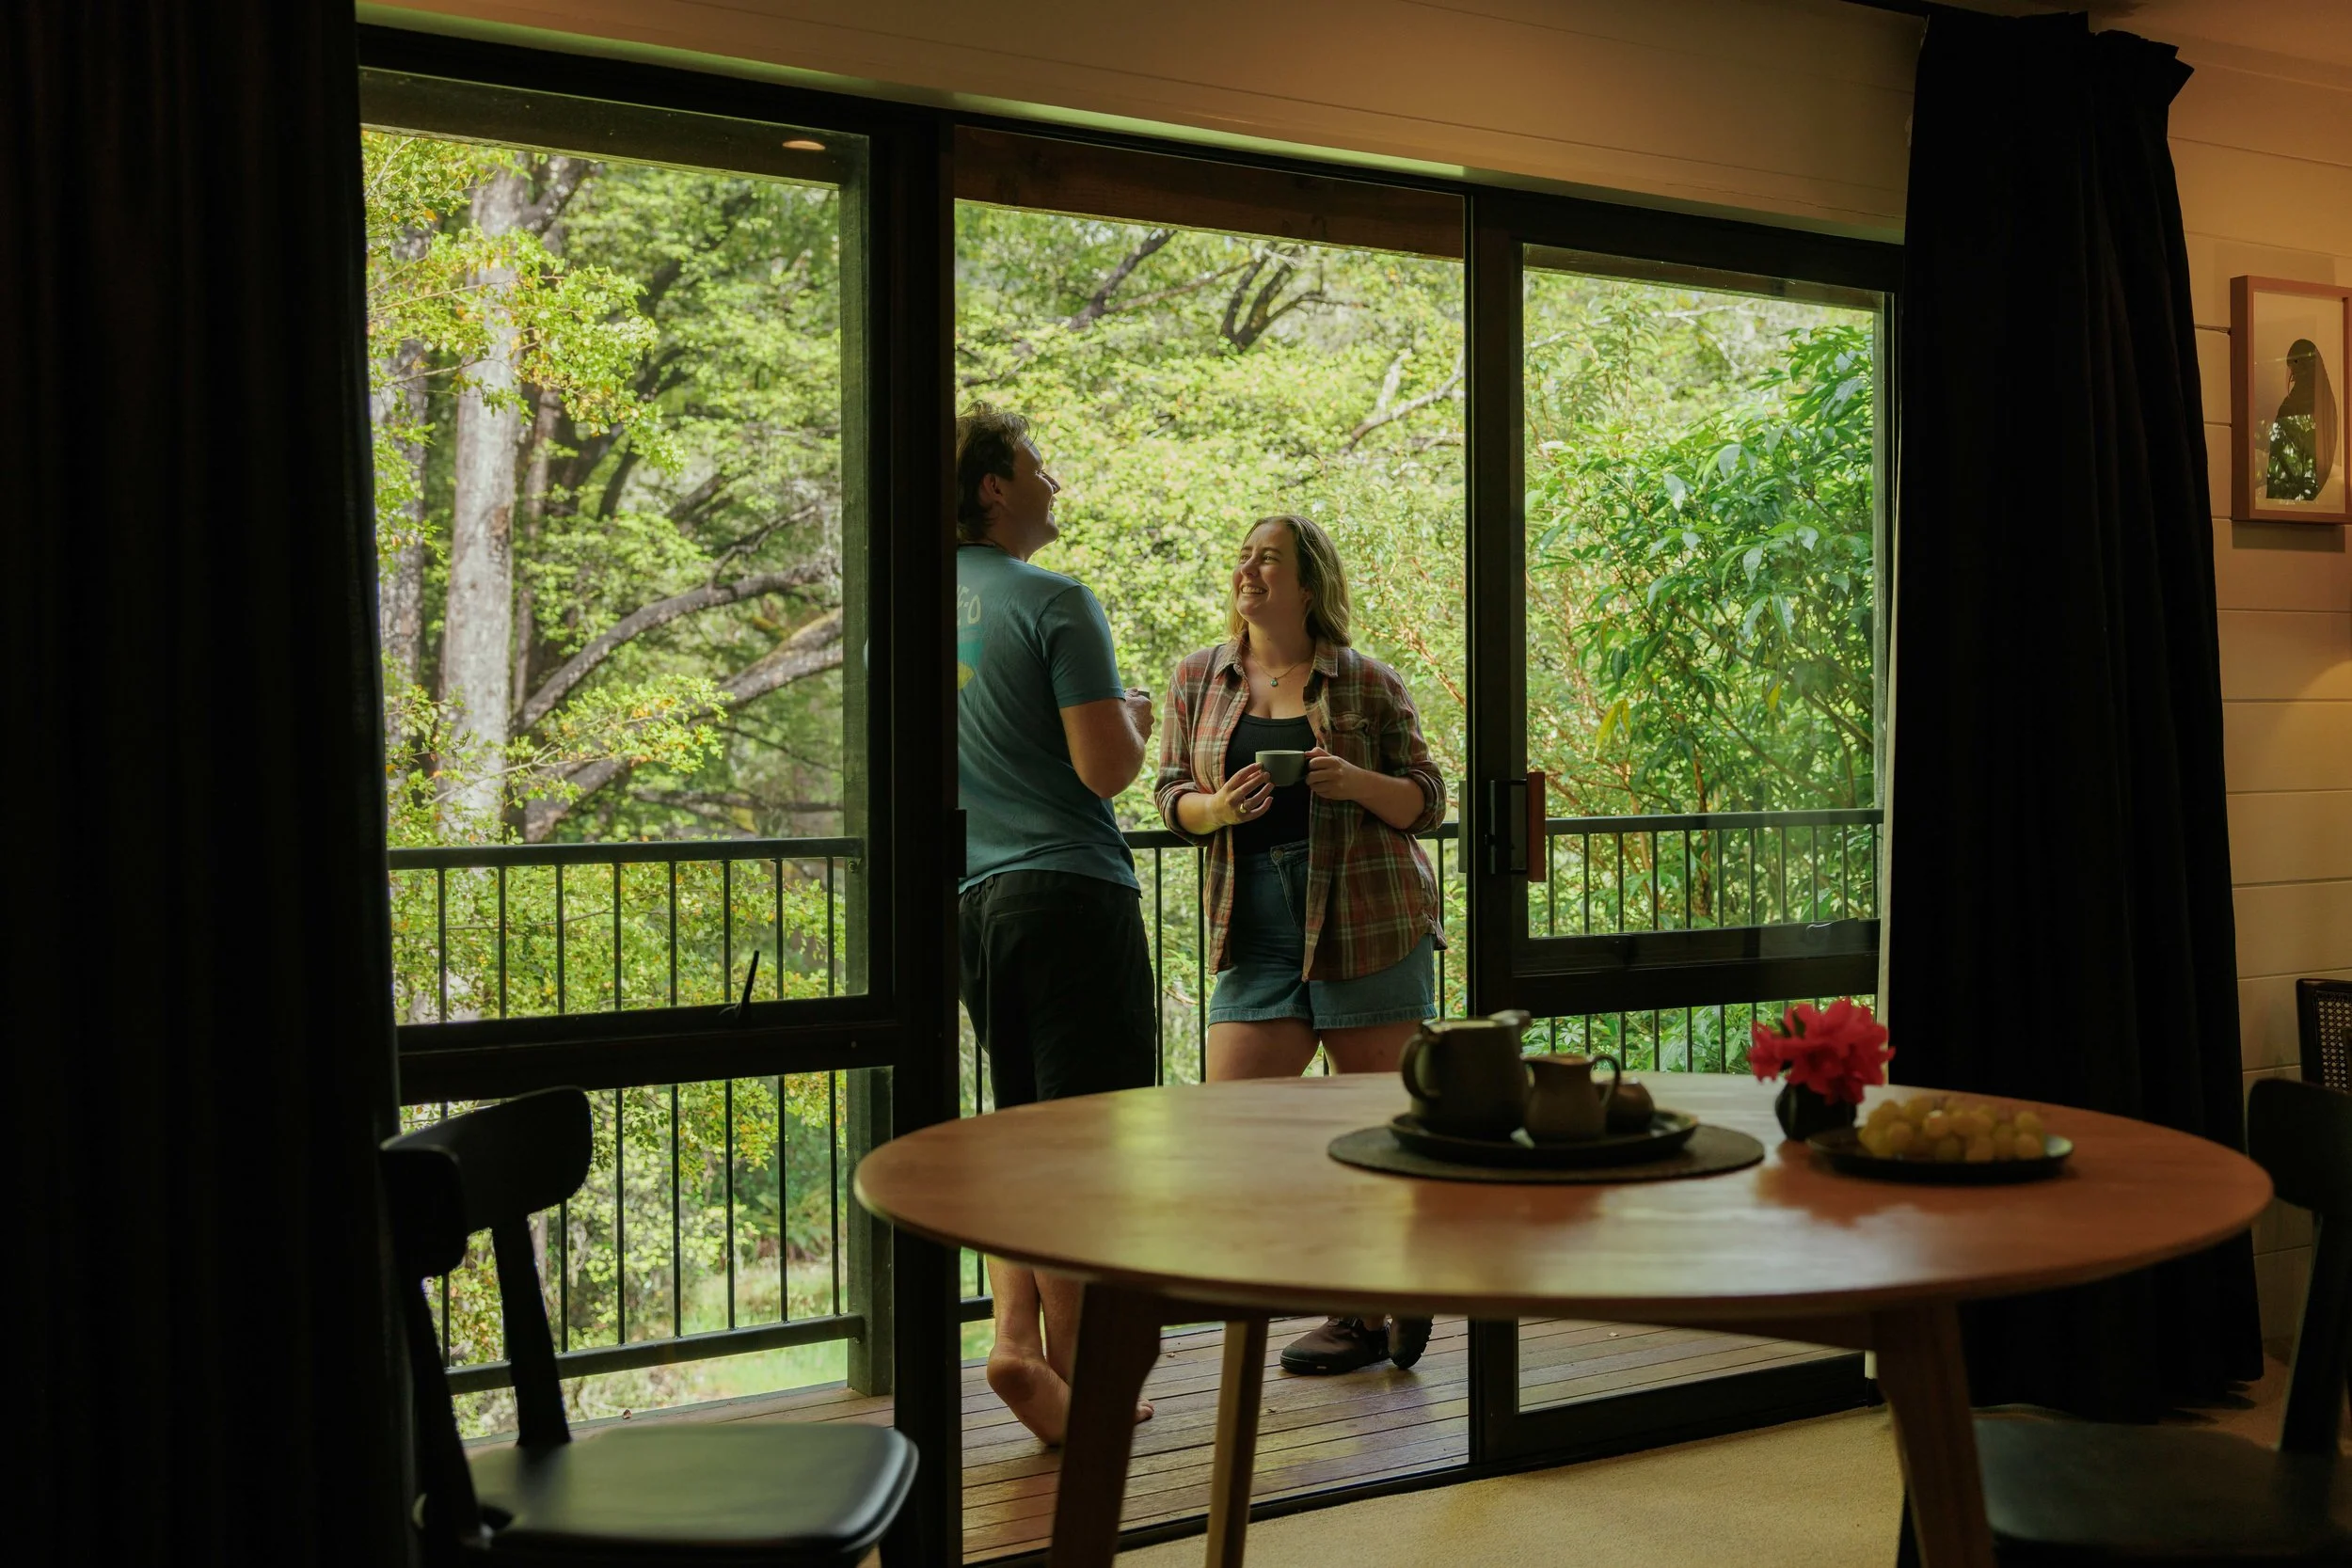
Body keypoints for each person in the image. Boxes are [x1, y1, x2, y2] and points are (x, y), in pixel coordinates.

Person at [1155, 512, 1447, 1376]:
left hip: (1367, 914)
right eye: (1243, 556)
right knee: (1239, 1131)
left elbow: (1427, 799)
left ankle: (1368, 1306)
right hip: (1257, 930)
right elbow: (1171, 792)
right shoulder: (1196, 680)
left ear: (1308, 581)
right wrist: (1217, 809)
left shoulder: (1366, 681)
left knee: (1379, 1127)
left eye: (1268, 559)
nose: (1248, 569)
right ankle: (1335, 1284)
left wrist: (1356, 782)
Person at [954, 404, 1160, 1446]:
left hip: (972, 906)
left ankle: (1014, 1342)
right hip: (1072, 894)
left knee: (1023, 1125)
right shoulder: (1055, 600)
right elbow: (1107, 770)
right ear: (992, 486)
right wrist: (1131, 714)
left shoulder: (912, 604)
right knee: (1091, 1147)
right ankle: (1089, 1389)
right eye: (1038, 465)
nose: (1054, 485)